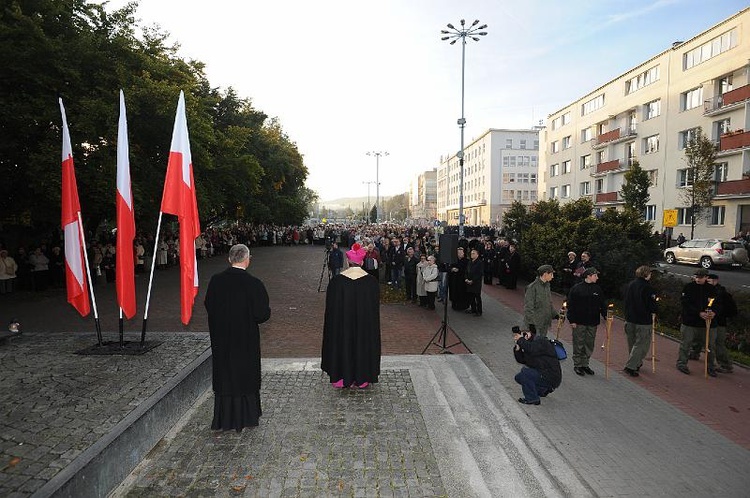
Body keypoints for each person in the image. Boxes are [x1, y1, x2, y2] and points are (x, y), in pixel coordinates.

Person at [204, 243, 271, 431]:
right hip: (245, 340)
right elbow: (262, 314)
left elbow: (209, 305)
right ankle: (247, 416)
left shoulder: (216, 281)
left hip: (222, 340)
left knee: (225, 374)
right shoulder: (254, 284)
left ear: (229, 259)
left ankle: (224, 418)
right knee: (245, 376)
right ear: (247, 260)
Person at [321, 243, 381, 389]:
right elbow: (374, 310)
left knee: (342, 344)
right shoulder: (371, 282)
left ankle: (340, 375)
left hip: (341, 326)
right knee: (363, 344)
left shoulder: (336, 282)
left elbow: (330, 311)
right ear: (361, 262)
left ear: (348, 262)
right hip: (364, 327)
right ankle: (363, 377)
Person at [676, 268, 718, 376]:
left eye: (700, 277)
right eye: (696, 277)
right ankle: (682, 363)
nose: (698, 279)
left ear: (706, 277)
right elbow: (685, 303)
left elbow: (716, 303)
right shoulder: (689, 287)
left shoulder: (712, 289)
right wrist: (698, 313)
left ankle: (711, 366)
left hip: (707, 323)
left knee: (710, 346)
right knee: (686, 343)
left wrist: (713, 312)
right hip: (690, 322)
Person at [566, 267, 607, 376]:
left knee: (589, 343)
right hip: (579, 321)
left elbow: (602, 304)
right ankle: (578, 365)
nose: (597, 278)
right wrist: (572, 320)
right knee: (579, 343)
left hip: (593, 322)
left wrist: (606, 316)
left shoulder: (598, 289)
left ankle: (585, 364)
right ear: (588, 276)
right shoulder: (577, 288)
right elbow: (570, 305)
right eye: (595, 275)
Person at [622, 265, 658, 377]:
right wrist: (655, 309)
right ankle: (631, 366)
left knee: (632, 343)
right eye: (650, 273)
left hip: (630, 318)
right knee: (641, 344)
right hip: (643, 321)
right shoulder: (648, 288)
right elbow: (651, 304)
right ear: (646, 274)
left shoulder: (631, 284)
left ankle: (636, 362)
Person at [513, 325, 562, 405]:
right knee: (519, 377)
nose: (522, 336)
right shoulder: (527, 344)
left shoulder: (540, 341)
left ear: (529, 333)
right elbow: (521, 360)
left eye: (523, 334)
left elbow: (531, 349)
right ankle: (542, 390)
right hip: (542, 373)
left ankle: (532, 398)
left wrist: (521, 340)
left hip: (551, 375)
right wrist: (518, 348)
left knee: (525, 373)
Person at [707, 273, 736, 374]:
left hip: (719, 322)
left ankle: (726, 364)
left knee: (718, 343)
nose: (707, 283)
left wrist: (717, 314)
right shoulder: (713, 291)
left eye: (709, 281)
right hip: (713, 321)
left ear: (715, 281)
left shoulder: (721, 294)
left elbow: (724, 309)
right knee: (710, 342)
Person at [523, 265, 557, 338]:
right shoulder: (532, 287)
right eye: (551, 274)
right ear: (545, 274)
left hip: (544, 322)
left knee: (541, 345)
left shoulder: (547, 286)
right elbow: (529, 307)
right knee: (535, 346)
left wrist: (555, 314)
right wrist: (531, 324)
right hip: (536, 323)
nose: (553, 276)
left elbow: (549, 303)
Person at [448, 247, 469, 311]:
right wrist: (452, 269)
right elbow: (449, 268)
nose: (459, 254)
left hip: (462, 280)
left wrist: (459, 270)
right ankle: (454, 305)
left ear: (463, 253)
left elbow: (467, 270)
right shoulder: (453, 260)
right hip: (454, 279)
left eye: (461, 252)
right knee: (454, 292)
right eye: (458, 252)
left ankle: (462, 306)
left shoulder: (466, 261)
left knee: (462, 293)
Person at [465, 248, 483, 316]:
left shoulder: (480, 263)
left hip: (476, 283)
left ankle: (479, 311)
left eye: (473, 253)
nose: (472, 255)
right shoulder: (470, 262)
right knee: (471, 297)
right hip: (469, 282)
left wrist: (473, 281)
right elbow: (466, 271)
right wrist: (466, 278)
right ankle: (473, 309)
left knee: (477, 297)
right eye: (471, 253)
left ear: (477, 255)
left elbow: (480, 274)